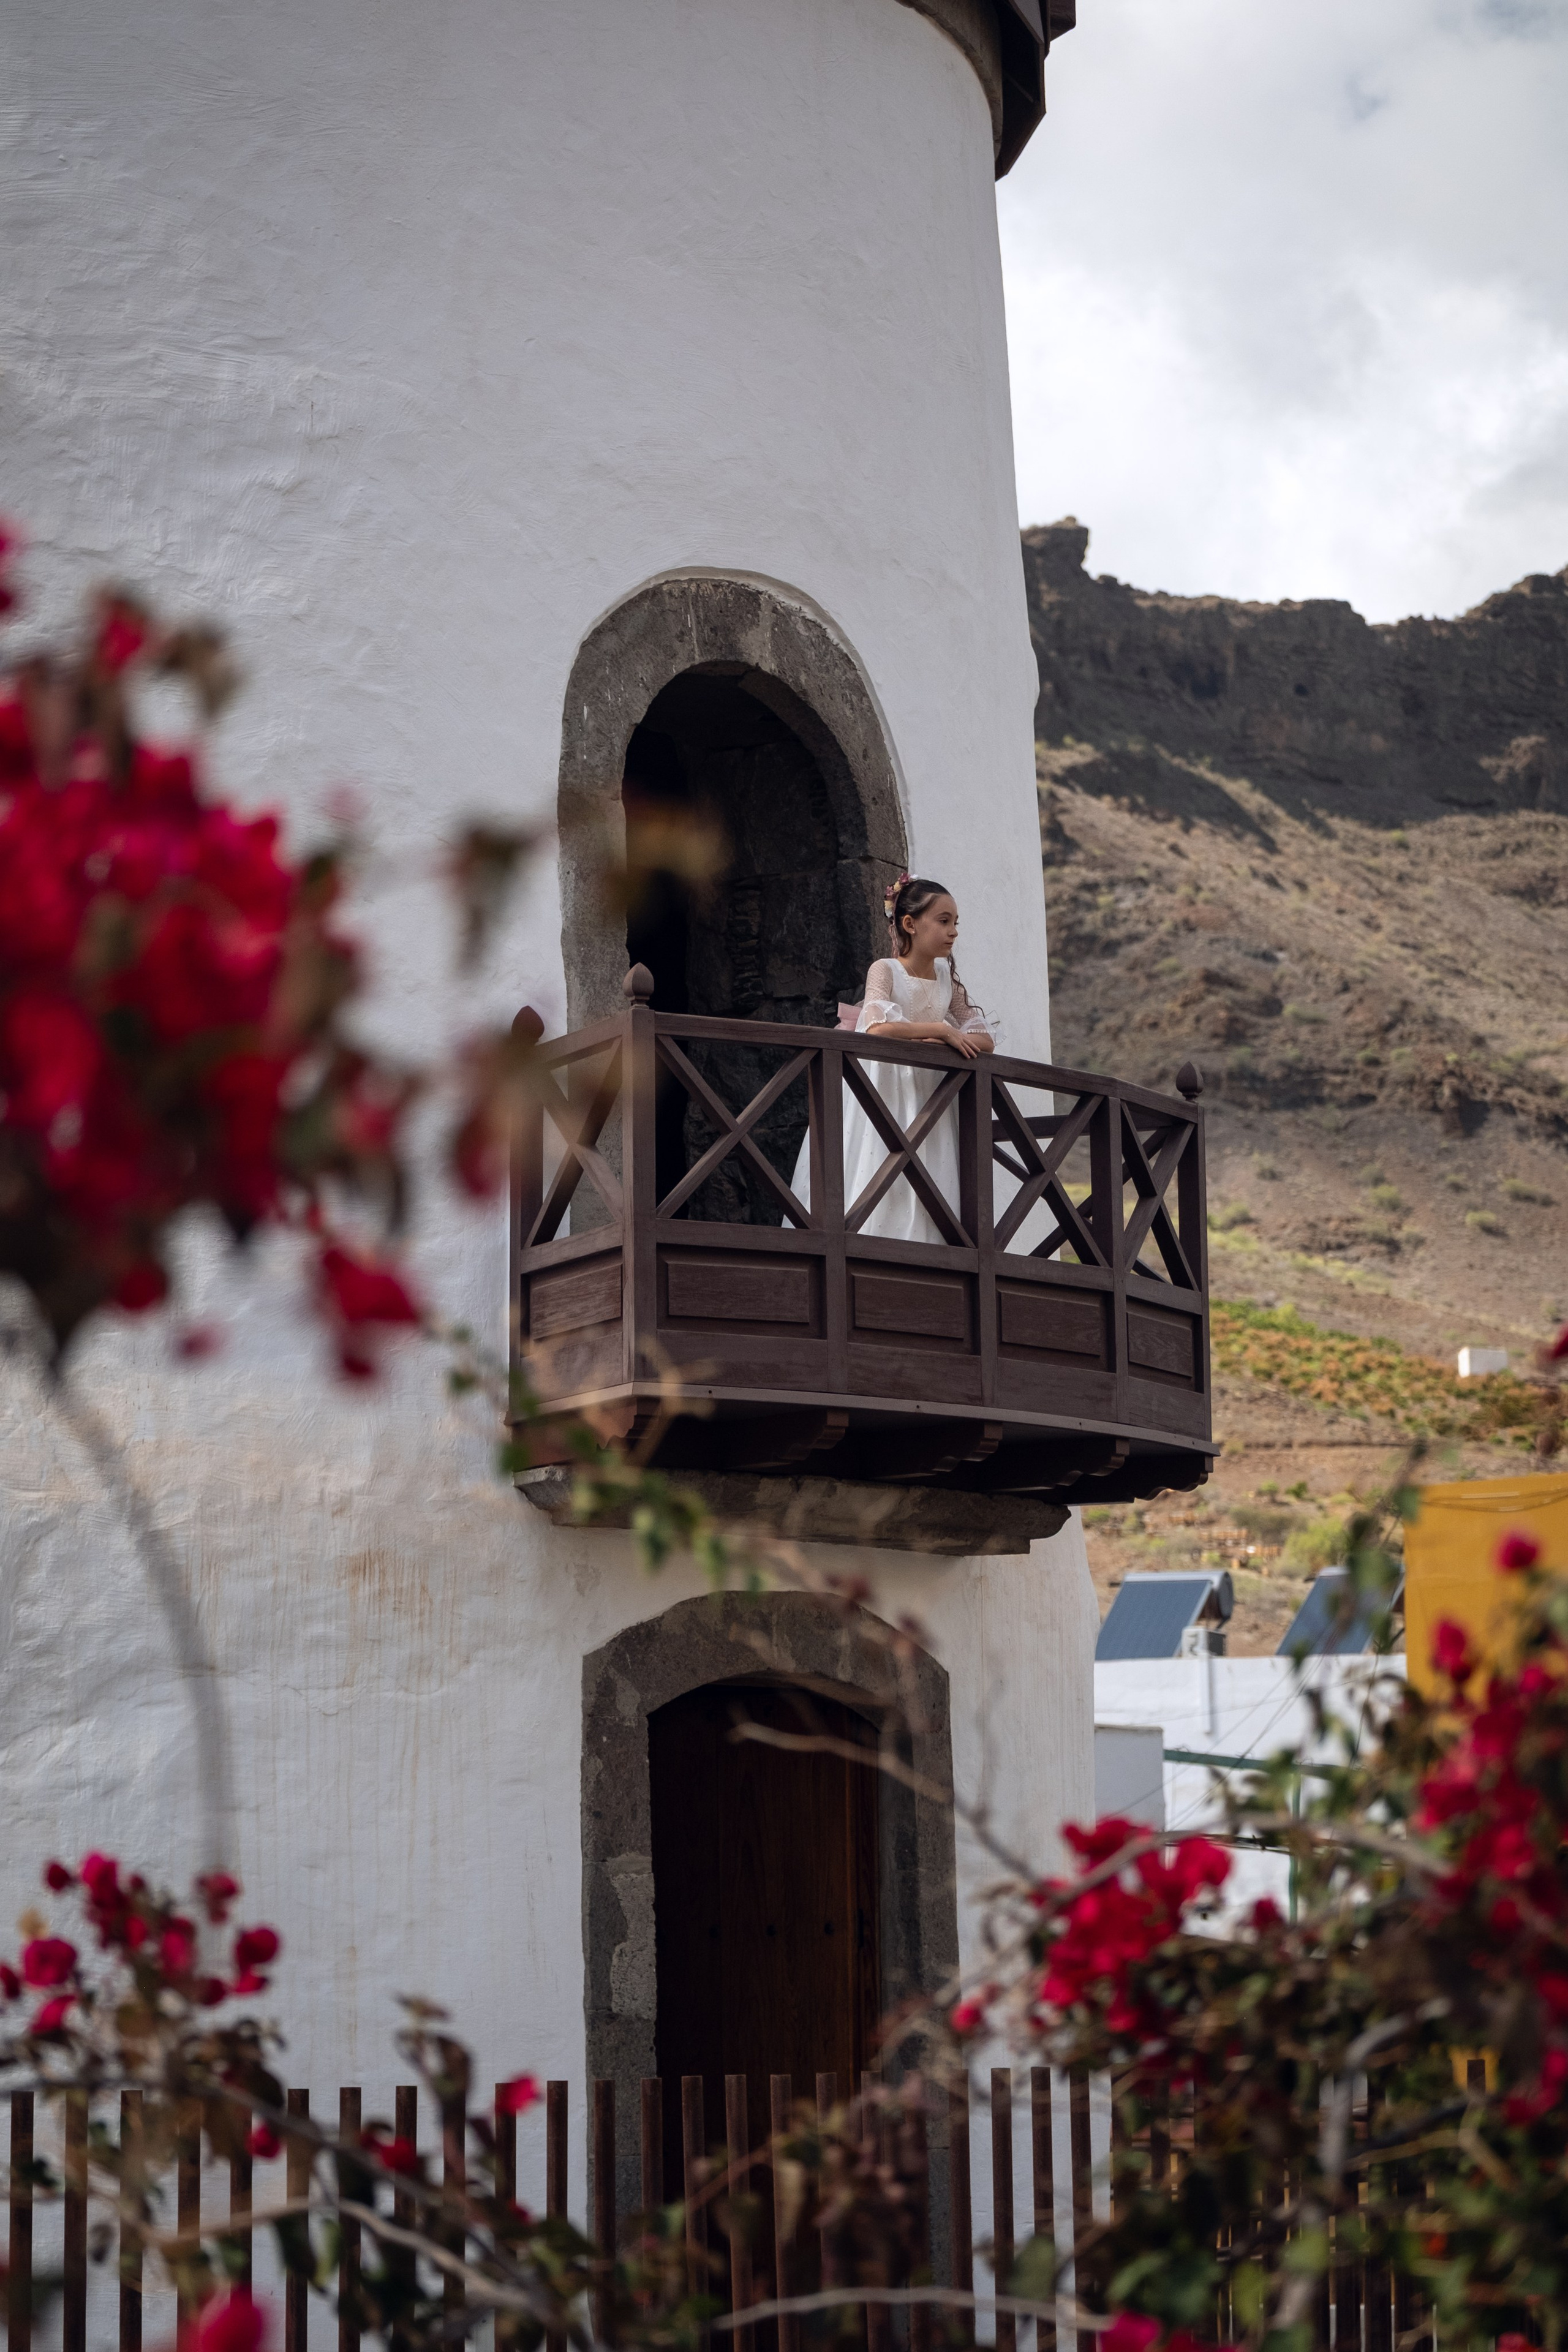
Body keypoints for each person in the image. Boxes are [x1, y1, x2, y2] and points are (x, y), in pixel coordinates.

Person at [791, 872, 996, 1242]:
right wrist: (941, 1031)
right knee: (880, 1162)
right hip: (884, 1089)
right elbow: (876, 1027)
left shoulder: (947, 979)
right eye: (943, 921)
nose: (953, 932)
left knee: (930, 1168)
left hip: (931, 1093)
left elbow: (984, 1038)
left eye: (956, 923)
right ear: (910, 924)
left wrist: (950, 1038)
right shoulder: (885, 970)